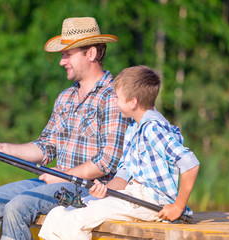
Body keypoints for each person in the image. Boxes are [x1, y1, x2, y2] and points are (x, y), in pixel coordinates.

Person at [0, 17, 127, 240]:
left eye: (67, 54)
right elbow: (45, 147)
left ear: (90, 54)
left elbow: (108, 160)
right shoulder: (65, 97)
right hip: (56, 181)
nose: (62, 62)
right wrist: (2, 148)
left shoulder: (112, 97)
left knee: (17, 208)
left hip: (89, 189)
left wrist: (64, 176)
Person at [38, 65, 200, 240]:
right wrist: (105, 190)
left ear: (133, 102)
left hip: (151, 202)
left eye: (117, 97)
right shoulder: (132, 128)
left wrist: (178, 206)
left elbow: (190, 164)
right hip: (131, 195)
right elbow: (124, 173)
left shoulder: (153, 129)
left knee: (76, 219)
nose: (113, 101)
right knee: (59, 213)